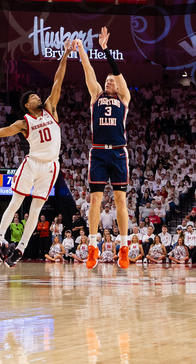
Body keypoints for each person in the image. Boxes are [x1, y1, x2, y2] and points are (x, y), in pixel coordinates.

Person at [0, 39, 74, 268]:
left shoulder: (51, 109)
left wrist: (66, 53)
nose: (39, 98)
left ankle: (20, 249)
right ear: (27, 105)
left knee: (36, 210)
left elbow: (58, 79)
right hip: (32, 164)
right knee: (16, 203)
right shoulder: (24, 122)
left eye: (38, 96)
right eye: (34, 98)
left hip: (51, 166)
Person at [77, 27, 132, 269]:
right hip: (98, 151)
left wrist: (106, 49)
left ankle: (123, 247)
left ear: (118, 85)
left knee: (121, 199)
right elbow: (89, 72)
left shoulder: (124, 98)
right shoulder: (96, 96)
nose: (108, 81)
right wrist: (81, 51)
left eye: (112, 80)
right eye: (106, 80)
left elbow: (118, 71)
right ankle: (92, 247)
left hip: (119, 151)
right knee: (95, 198)